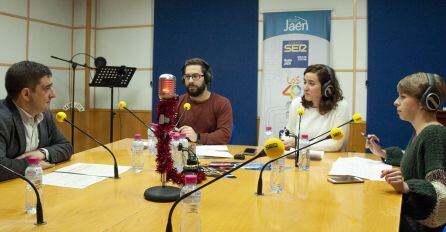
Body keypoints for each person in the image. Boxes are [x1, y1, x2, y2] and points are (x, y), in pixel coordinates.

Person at [366, 72, 446, 231]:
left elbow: (441, 187)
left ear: (426, 101)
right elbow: (412, 159)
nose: (396, 102)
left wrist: (408, 186)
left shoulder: (434, 134)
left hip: (421, 225)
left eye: (403, 97)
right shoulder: (421, 131)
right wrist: (381, 152)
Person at [0, 61, 72, 182]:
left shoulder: (44, 114)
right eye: (47, 88)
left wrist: (42, 153)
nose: (53, 94)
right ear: (26, 94)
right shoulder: (2, 118)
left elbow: (66, 147)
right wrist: (31, 164)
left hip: (33, 184)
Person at [284, 64, 349, 151]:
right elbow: (288, 133)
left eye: (311, 83)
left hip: (329, 160)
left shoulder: (340, 106)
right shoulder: (297, 103)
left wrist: (300, 144)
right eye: (305, 82)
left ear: (327, 88)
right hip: (300, 159)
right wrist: (287, 141)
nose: (305, 88)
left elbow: (335, 144)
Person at [175, 58, 232, 145]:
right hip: (183, 153)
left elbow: (224, 135)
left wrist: (197, 137)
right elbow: (168, 129)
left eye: (195, 76)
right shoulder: (177, 102)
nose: (190, 81)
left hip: (210, 154)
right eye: (187, 76)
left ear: (207, 78)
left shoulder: (222, 103)